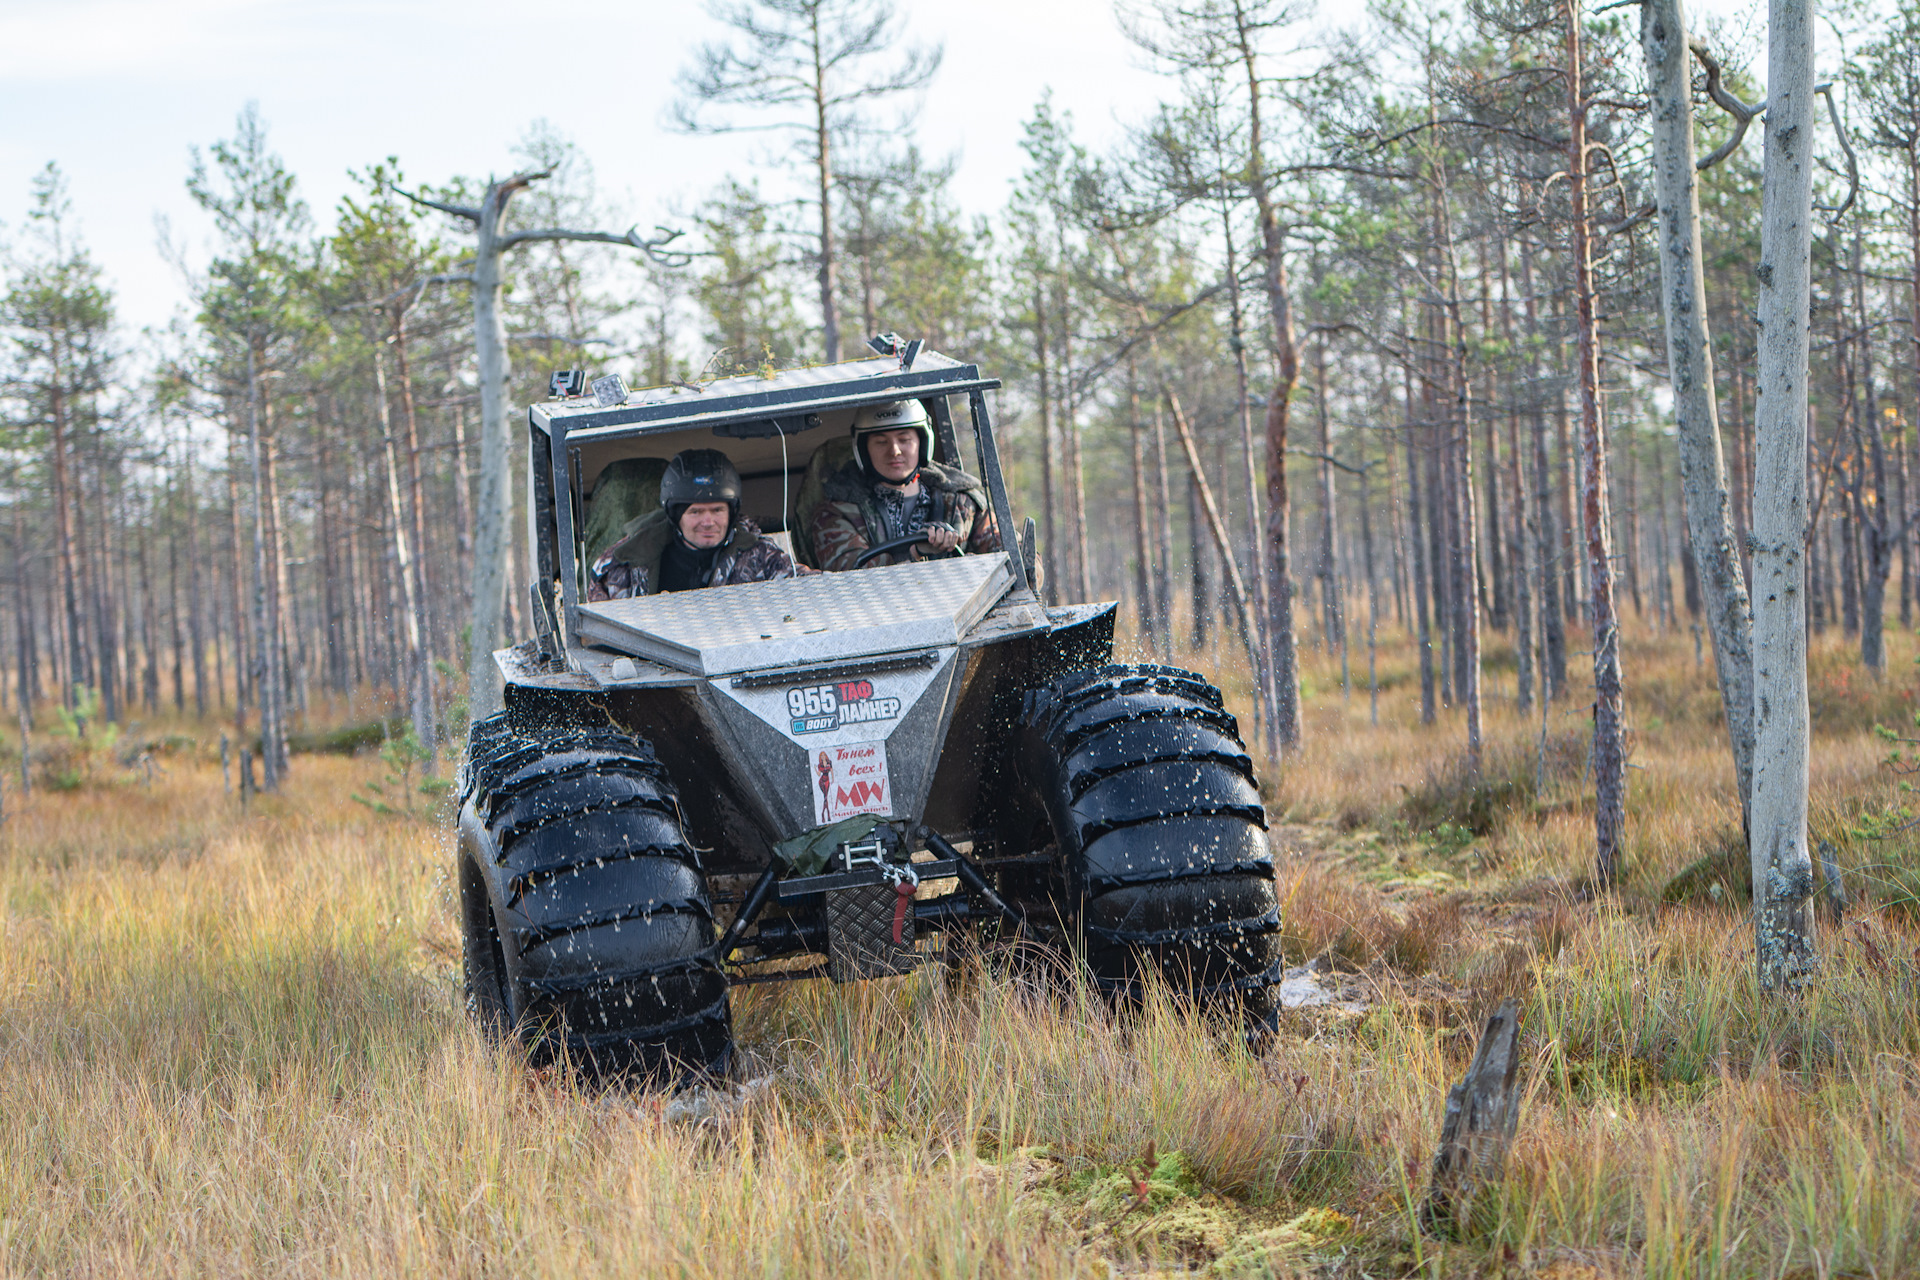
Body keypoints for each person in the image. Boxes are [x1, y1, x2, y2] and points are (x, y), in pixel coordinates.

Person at [810, 399, 1001, 572]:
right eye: (881, 442)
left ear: (923, 443)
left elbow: (1006, 553)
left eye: (904, 440)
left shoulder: (963, 503)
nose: (894, 451)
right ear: (863, 450)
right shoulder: (836, 512)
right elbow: (848, 572)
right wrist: (914, 551)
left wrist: (969, 564)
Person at [586, 449, 798, 600]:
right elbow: (597, 637)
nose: (708, 522)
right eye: (695, 512)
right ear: (675, 516)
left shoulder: (762, 557)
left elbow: (808, 590)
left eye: (717, 510)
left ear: (731, 513)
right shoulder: (621, 564)